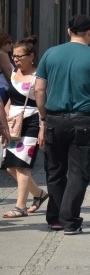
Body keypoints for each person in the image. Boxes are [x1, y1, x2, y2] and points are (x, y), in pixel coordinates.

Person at [35, 14, 90, 234]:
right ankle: (69, 221)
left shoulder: (50, 54)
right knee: (79, 172)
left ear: (69, 31)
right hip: (83, 120)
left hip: (53, 119)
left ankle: (55, 219)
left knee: (55, 170)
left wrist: (43, 117)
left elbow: (39, 90)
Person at [2, 36, 47, 218]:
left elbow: (43, 102)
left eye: (20, 56)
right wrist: (5, 114)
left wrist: (43, 126)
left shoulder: (39, 76)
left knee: (22, 166)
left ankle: (20, 206)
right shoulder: (13, 73)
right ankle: (39, 194)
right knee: (10, 167)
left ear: (32, 56)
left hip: (32, 121)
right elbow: (12, 98)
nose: (16, 59)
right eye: (14, 56)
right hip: (13, 122)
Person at [0, 33, 13, 104]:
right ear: (2, 43)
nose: (11, 45)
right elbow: (9, 75)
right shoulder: (2, 54)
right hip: (3, 90)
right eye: (9, 42)